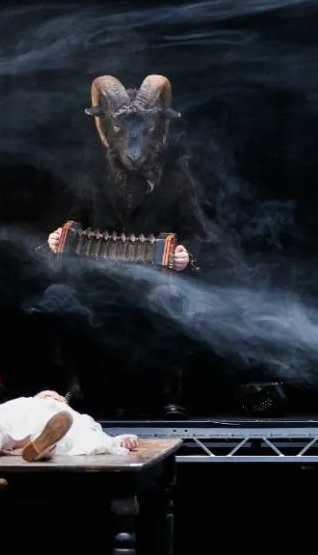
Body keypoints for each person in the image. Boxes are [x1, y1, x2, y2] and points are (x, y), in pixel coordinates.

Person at [46, 74, 222, 419]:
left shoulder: (176, 179)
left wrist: (188, 256)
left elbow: (205, 238)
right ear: (108, 129)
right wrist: (56, 241)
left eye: (145, 128)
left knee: (170, 298)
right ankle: (75, 388)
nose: (134, 143)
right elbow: (72, 224)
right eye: (122, 128)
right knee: (58, 295)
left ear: (158, 128)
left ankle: (172, 393)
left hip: (158, 281)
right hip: (101, 281)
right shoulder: (93, 178)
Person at [0, 390, 139, 462]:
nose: (48, 397)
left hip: (46, 428)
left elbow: (95, 435)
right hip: (13, 424)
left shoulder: (65, 414)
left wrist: (122, 440)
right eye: (45, 394)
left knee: (53, 435)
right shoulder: (21, 405)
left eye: (54, 396)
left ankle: (40, 446)